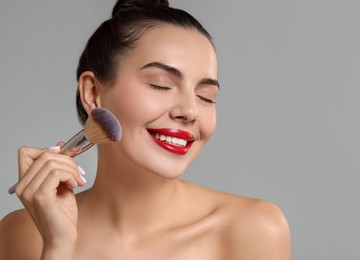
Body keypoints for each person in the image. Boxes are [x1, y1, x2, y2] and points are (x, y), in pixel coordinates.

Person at [0, 0, 291, 259]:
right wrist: (58, 246)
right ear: (92, 93)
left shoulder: (253, 229)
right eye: (160, 85)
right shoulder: (21, 233)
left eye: (206, 97)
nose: (189, 111)